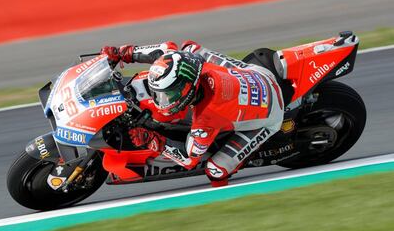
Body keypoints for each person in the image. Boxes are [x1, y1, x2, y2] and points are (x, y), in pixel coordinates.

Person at [100, 41, 284, 187]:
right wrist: (124, 52)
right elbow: (165, 49)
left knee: (216, 171)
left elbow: (189, 159)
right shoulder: (190, 62)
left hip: (271, 115)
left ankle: (242, 159)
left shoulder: (206, 118)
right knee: (191, 48)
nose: (161, 100)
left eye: (166, 95)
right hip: (258, 74)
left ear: (187, 89)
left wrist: (152, 140)